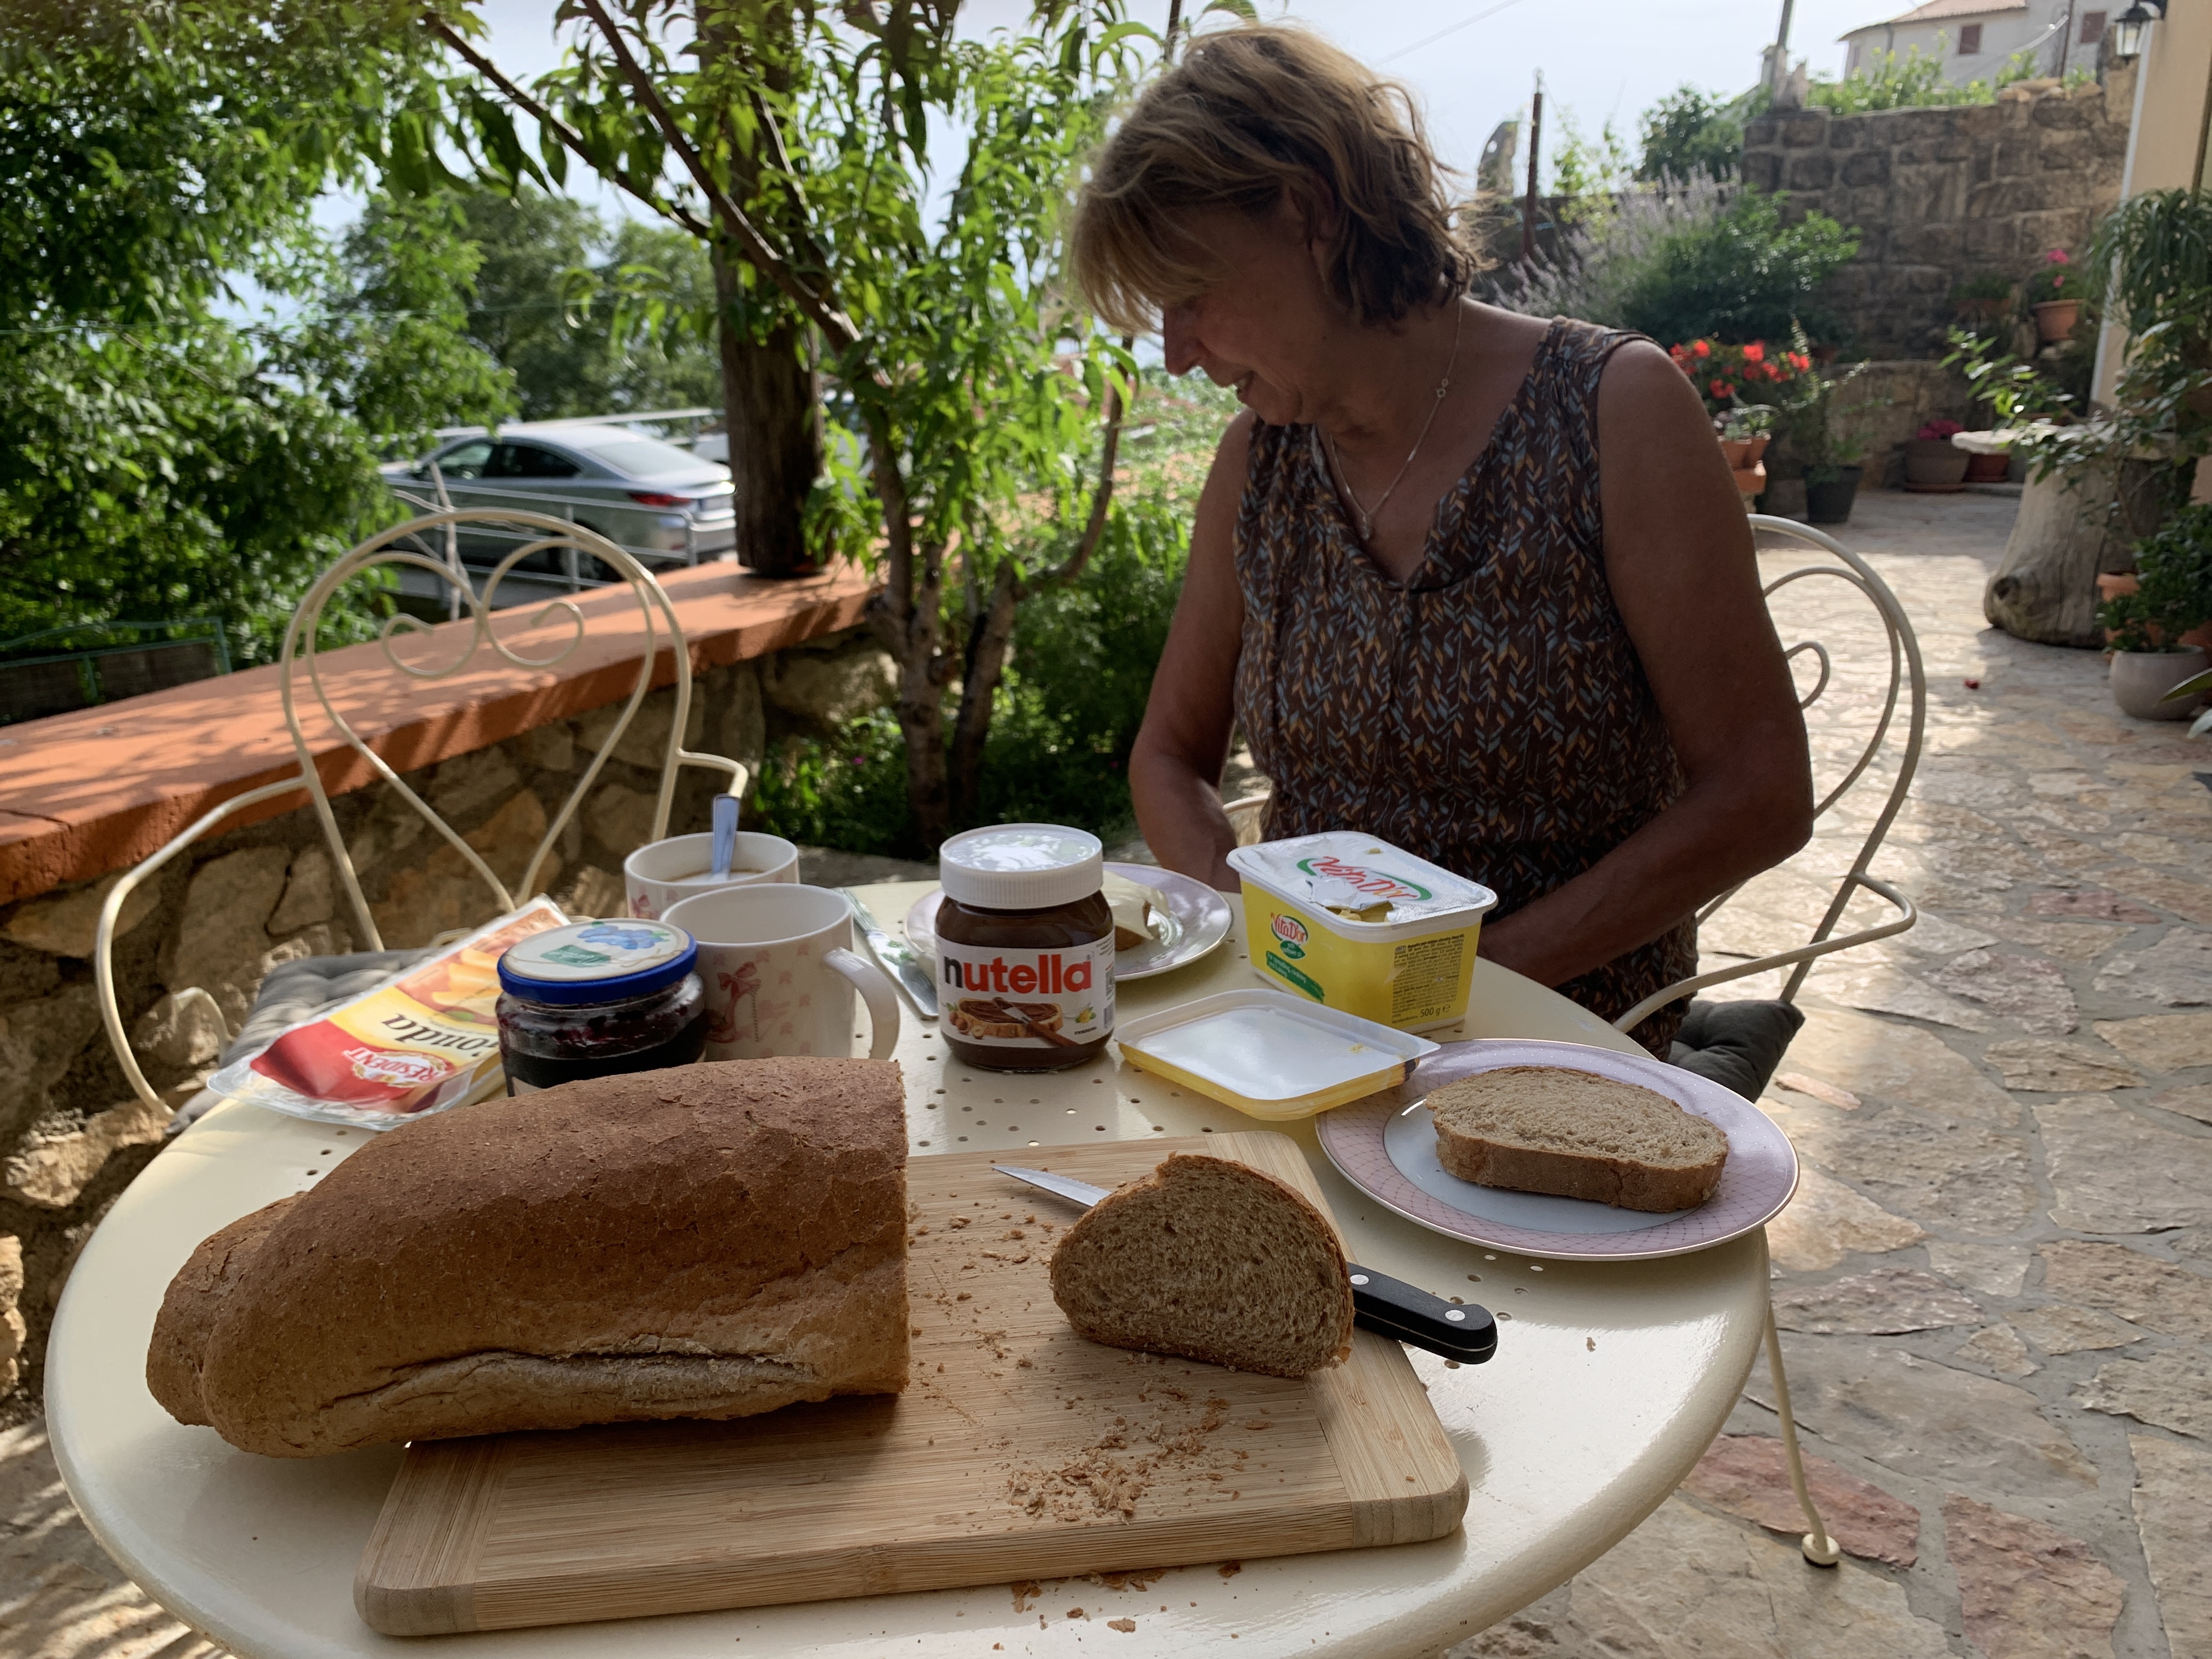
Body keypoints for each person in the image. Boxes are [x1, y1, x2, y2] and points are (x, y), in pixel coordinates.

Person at [1069, 24, 1814, 1052]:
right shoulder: (1261, 462)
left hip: (1557, 1035)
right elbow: (1167, 753)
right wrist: (1235, 923)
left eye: (1192, 297)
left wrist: (1461, 983)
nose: (1177, 354)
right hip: (1309, 1023)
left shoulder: (1610, 412)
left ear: (1308, 213)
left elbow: (1761, 795)